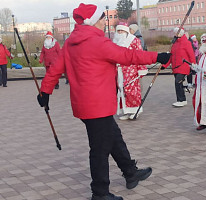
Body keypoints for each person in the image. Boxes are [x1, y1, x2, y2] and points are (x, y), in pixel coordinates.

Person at [36, 3, 171, 200]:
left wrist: (44, 92)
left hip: (85, 106)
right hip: (97, 106)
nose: (105, 23)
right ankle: (99, 193)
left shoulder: (71, 42)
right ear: (93, 22)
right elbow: (127, 56)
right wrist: (158, 56)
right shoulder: (97, 42)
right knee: (100, 149)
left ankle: (130, 173)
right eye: (102, 19)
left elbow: (55, 69)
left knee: (113, 137)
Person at [113, 22, 148, 120]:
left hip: (131, 70)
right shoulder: (115, 42)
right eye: (118, 31)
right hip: (119, 71)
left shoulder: (134, 40)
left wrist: (141, 69)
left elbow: (139, 54)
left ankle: (136, 110)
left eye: (122, 30)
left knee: (132, 91)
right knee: (122, 90)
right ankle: (126, 110)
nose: (120, 33)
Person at [162, 27, 196, 107]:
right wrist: (165, 65)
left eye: (176, 33)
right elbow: (171, 56)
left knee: (177, 82)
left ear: (180, 33)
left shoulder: (186, 43)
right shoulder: (174, 44)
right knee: (179, 84)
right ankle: (182, 100)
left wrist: (193, 64)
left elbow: (191, 54)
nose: (174, 34)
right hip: (175, 67)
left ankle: (181, 99)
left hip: (183, 66)